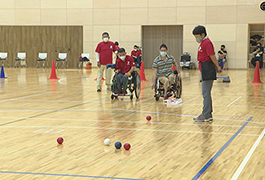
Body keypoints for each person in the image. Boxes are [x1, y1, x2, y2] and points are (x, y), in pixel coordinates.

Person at [192, 25, 222, 122]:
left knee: (205, 93)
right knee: (206, 92)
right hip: (204, 69)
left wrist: (218, 67)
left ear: (203, 34)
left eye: (197, 36)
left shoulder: (207, 43)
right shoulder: (203, 43)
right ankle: (208, 113)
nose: (196, 38)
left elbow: (212, 56)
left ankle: (206, 115)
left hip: (208, 69)